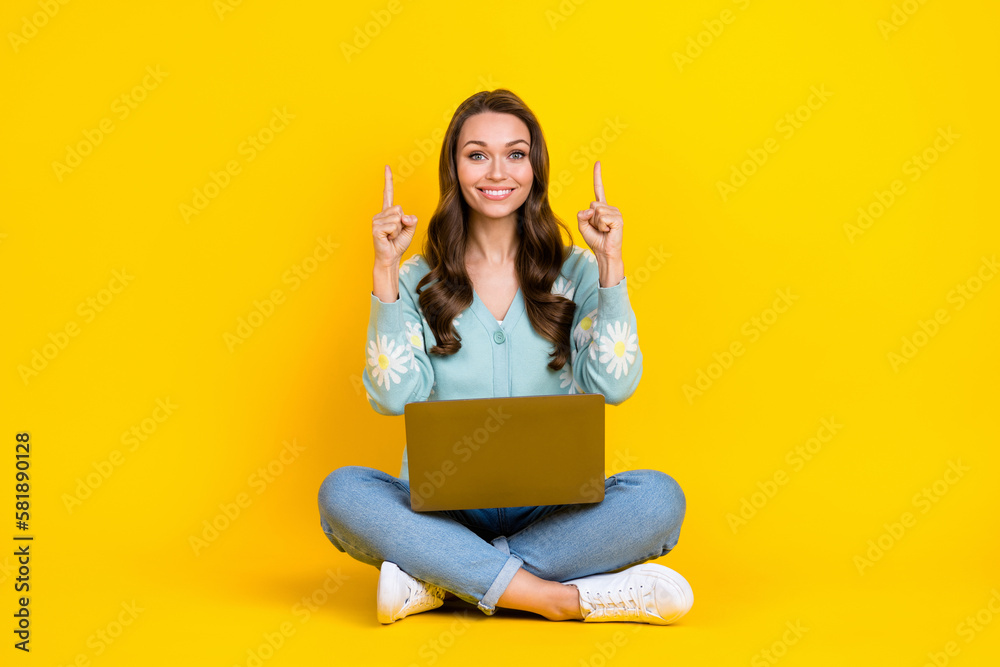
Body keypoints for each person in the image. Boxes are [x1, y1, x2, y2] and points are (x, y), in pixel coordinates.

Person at [317, 88, 691, 625]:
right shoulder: (415, 278)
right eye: (477, 155)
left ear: (534, 168)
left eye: (515, 154)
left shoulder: (578, 271)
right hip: (442, 514)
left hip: (555, 512)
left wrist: (611, 264)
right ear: (455, 167)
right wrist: (383, 271)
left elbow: (615, 384)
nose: (498, 172)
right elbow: (392, 397)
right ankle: (558, 599)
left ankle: (444, 579)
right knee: (344, 493)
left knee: (659, 499)